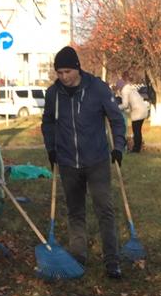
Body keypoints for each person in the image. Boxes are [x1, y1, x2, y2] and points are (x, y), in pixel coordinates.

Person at [41, 45, 127, 279]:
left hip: (97, 159)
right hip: (68, 161)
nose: (63, 77)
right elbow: (47, 123)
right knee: (75, 212)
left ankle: (112, 260)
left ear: (77, 68)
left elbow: (116, 119)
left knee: (105, 210)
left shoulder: (97, 88)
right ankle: (78, 257)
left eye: (67, 71)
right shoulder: (53, 94)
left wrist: (118, 147)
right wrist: (51, 149)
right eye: (59, 73)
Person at [119, 77, 150, 153]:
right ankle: (137, 147)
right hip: (143, 110)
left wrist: (116, 107)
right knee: (138, 131)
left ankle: (136, 149)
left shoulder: (124, 91)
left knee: (136, 131)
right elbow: (132, 103)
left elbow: (125, 104)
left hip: (137, 112)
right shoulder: (132, 89)